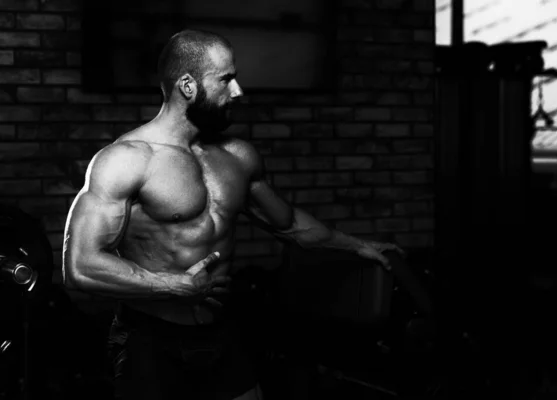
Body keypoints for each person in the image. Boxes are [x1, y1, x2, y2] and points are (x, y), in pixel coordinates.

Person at [62, 29, 403, 400]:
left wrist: (356, 246)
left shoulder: (238, 157)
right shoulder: (127, 160)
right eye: (225, 79)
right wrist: (171, 286)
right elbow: (80, 266)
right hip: (150, 338)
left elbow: (287, 225)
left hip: (220, 332)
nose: (238, 91)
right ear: (188, 86)